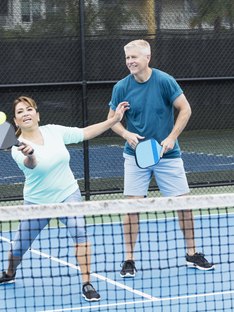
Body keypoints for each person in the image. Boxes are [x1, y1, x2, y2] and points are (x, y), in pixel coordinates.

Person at [0, 96, 129, 301]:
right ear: (15, 121)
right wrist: (31, 154)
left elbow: (86, 132)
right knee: (18, 248)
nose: (26, 113)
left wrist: (114, 120)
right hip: (37, 203)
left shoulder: (54, 131)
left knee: (79, 231)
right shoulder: (17, 147)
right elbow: (31, 164)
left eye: (29, 109)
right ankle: (9, 273)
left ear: (37, 115)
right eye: (20, 112)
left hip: (68, 194)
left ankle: (87, 283)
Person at [107, 39, 215, 278]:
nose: (130, 62)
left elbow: (185, 109)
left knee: (184, 206)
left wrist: (171, 137)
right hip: (136, 156)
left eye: (134, 57)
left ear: (147, 58)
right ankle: (129, 259)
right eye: (127, 58)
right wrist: (126, 133)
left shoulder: (165, 81)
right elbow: (111, 120)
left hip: (168, 154)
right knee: (132, 207)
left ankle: (191, 253)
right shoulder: (121, 87)